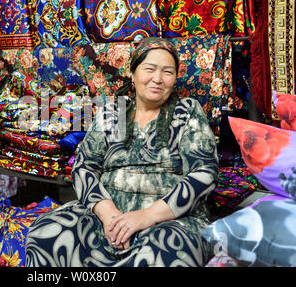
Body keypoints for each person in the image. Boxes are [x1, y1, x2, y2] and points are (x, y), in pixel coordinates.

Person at [25, 37, 219, 267]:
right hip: (108, 214)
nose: (158, 78)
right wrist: (109, 216)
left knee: (169, 252)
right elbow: (84, 165)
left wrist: (146, 216)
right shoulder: (112, 112)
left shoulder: (187, 111)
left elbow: (205, 173)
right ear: (133, 73)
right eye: (149, 69)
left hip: (169, 218)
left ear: (175, 79)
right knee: (46, 233)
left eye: (168, 72)